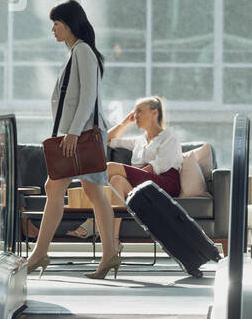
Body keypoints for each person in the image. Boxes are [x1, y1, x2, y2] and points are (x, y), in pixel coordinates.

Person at [24, 0, 122, 280]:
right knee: (86, 191)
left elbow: (89, 96)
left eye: (57, 24)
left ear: (70, 25)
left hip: (80, 137)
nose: (53, 29)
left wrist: (74, 132)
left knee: (64, 189)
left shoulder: (83, 52)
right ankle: (107, 255)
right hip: (75, 136)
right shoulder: (76, 52)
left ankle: (41, 253)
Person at [69, 95, 184, 242]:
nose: (135, 116)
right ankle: (114, 239)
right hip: (142, 183)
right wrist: (124, 123)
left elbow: (159, 166)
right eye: (134, 112)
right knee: (117, 180)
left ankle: (92, 221)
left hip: (164, 183)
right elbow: (106, 141)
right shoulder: (139, 141)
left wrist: (128, 173)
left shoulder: (169, 136)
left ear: (155, 113)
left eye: (139, 111)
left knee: (111, 168)